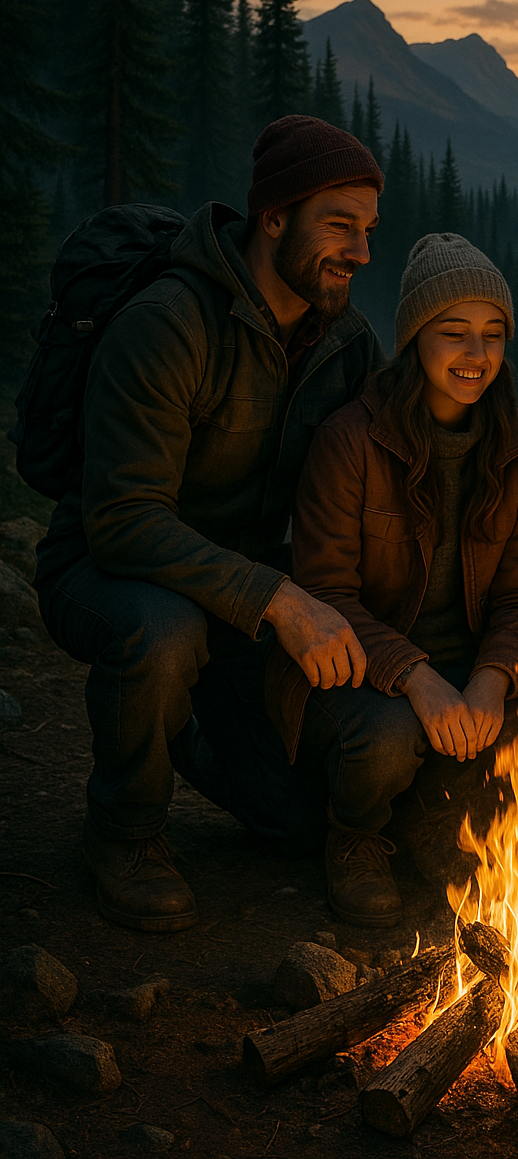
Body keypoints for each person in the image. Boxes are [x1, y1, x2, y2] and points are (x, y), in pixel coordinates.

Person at [34, 116, 386, 932]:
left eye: (369, 231)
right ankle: (124, 834)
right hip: (106, 572)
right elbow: (123, 519)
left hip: (239, 601)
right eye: (339, 225)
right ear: (273, 217)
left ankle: (176, 727)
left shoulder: (348, 343)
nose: (360, 253)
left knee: (294, 824)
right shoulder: (169, 323)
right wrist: (284, 602)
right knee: (162, 633)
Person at [278, 233, 518, 927]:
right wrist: (417, 678)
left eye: (493, 335)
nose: (476, 356)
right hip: (360, 670)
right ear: (415, 339)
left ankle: (441, 820)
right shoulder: (351, 440)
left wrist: (492, 677)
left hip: (467, 668)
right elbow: (326, 594)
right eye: (454, 333)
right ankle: (357, 837)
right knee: (392, 732)